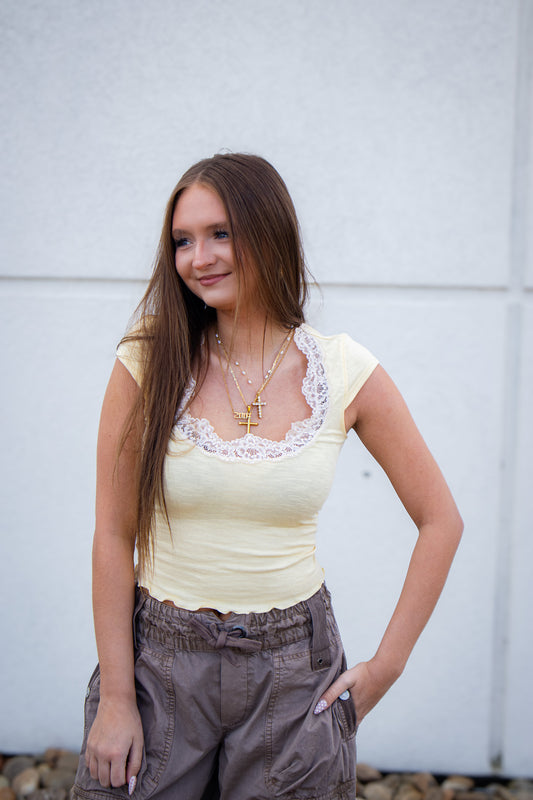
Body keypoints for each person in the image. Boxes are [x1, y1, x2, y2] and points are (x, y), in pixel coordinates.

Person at [72, 153, 463, 800]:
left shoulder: (341, 369)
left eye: (220, 233)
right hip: (160, 661)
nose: (199, 257)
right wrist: (116, 697)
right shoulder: (147, 358)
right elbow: (112, 537)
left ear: (269, 230)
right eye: (182, 240)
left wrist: (385, 668)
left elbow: (440, 520)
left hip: (293, 670)